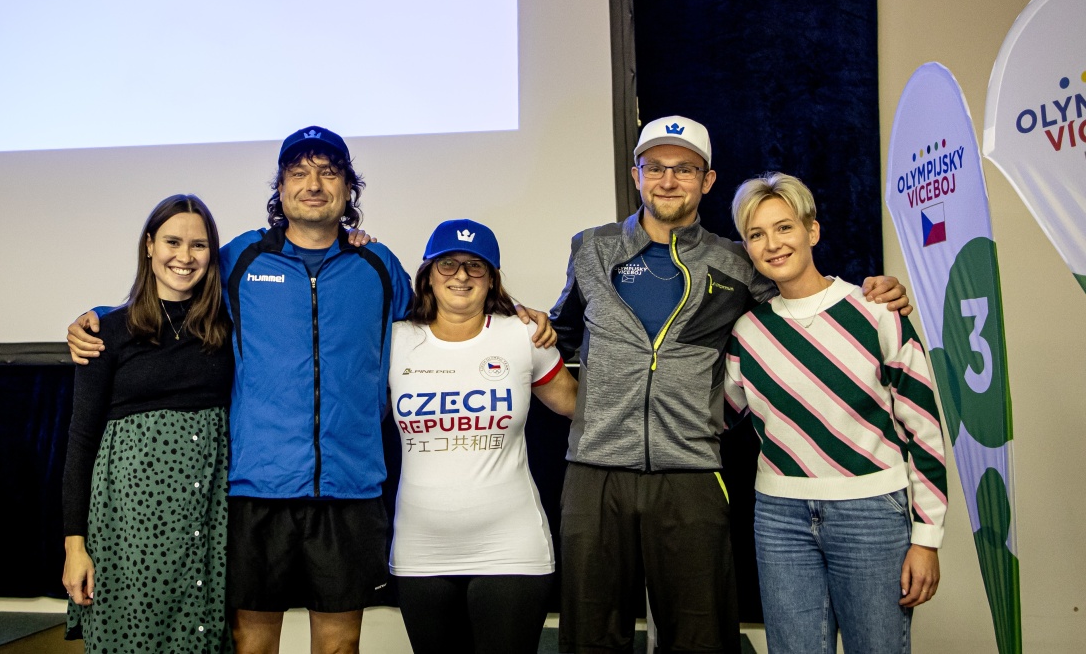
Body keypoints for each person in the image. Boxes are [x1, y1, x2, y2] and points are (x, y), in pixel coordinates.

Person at [67, 126, 554, 654]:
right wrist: (99, 317)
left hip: (351, 490)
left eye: (328, 172)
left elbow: (444, 311)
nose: (314, 184)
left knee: (340, 645)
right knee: (252, 645)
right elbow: (174, 292)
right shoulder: (239, 260)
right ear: (280, 188)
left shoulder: (378, 265)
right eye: (299, 173)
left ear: (348, 188)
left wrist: (517, 314)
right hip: (257, 490)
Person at [548, 115, 911, 654]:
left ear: (707, 180)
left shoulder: (735, 262)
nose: (668, 180)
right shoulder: (591, 249)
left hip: (691, 473)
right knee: (590, 637)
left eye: (685, 169)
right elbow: (559, 336)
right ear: (636, 174)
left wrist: (873, 292)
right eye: (655, 167)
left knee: (701, 638)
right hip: (594, 472)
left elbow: (803, 302)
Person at [723, 172, 947, 654]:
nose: (772, 244)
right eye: (756, 235)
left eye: (784, 227)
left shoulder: (878, 311)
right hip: (779, 519)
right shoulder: (746, 333)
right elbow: (712, 419)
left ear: (813, 231)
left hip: (872, 515)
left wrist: (928, 537)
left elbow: (924, 430)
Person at [389, 219, 578, 654]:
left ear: (491, 278)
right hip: (421, 550)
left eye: (475, 266)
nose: (461, 275)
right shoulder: (395, 340)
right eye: (448, 264)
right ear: (428, 275)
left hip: (512, 548)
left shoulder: (523, 335)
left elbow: (576, 408)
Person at [62, 194, 234, 653]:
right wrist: (74, 547)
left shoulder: (228, 329)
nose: (185, 256)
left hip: (208, 519)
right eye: (173, 242)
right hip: (127, 527)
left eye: (199, 245)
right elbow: (81, 441)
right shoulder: (105, 331)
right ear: (149, 246)